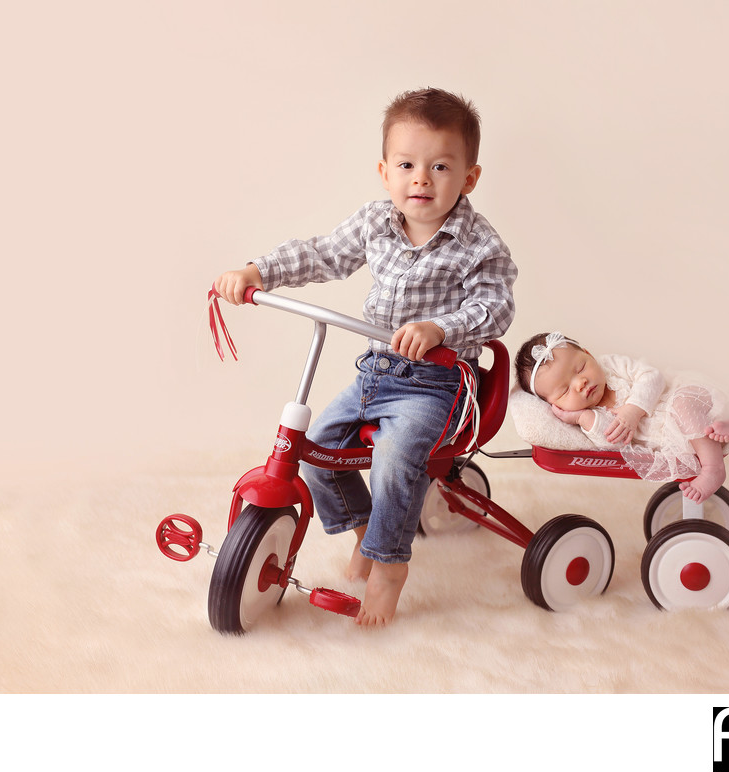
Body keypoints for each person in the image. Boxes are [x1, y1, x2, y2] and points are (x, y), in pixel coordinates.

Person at [215, 89, 517, 626]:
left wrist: (439, 328)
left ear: (469, 178)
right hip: (377, 372)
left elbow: (495, 307)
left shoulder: (479, 244)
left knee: (396, 459)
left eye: (440, 166)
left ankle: (389, 566)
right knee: (318, 448)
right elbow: (324, 253)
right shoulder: (376, 222)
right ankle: (366, 532)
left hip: (439, 383)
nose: (421, 179)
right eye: (407, 165)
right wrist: (257, 272)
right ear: (385, 172)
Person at [515, 332, 729, 503]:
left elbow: (652, 376)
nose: (580, 382)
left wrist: (634, 409)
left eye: (581, 367)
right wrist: (580, 418)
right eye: (565, 391)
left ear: (589, 354)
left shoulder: (611, 365)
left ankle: (713, 468)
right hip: (670, 434)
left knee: (683, 405)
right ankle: (725, 427)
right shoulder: (591, 417)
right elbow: (608, 440)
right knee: (695, 429)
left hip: (681, 397)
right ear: (556, 406)